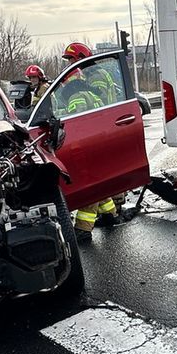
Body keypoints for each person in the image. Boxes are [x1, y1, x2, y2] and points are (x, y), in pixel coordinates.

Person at [56, 41, 124, 234]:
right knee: (100, 175)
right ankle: (111, 213)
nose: (69, 63)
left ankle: (84, 227)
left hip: (102, 129)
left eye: (71, 59)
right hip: (104, 128)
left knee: (91, 177)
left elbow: (97, 103)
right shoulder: (90, 75)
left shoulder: (96, 76)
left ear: (81, 58)